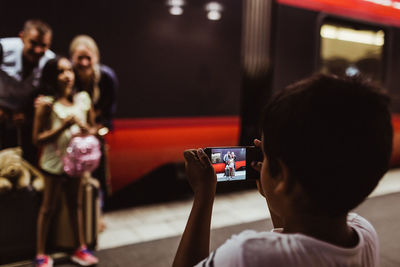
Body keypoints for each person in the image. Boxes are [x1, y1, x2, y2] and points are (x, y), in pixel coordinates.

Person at [173, 74, 393, 267]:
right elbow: (295, 236)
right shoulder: (364, 235)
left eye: (266, 155)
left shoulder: (248, 255)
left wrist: (204, 193)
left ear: (283, 176)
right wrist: (275, 189)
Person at [33, 56, 99, 267]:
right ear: (53, 76)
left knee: (75, 205)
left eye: (69, 70)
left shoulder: (83, 99)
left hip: (77, 163)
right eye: (61, 71)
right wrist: (62, 127)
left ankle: (79, 248)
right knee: (47, 208)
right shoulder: (46, 104)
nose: (67, 75)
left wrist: (84, 129)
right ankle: (41, 253)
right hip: (53, 163)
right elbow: (37, 139)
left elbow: (93, 129)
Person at [69, 34, 118, 205]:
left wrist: (96, 130)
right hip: (72, 135)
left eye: (88, 58)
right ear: (72, 58)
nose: (84, 63)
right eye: (79, 58)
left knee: (99, 175)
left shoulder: (106, 77)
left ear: (95, 58)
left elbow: (108, 112)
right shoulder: (68, 77)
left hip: (96, 133)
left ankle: (97, 215)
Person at [0, 19, 55, 164]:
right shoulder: (3, 48)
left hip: (25, 118)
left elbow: (50, 94)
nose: (38, 50)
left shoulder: (50, 61)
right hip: (1, 110)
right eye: (33, 43)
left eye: (43, 45)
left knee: (26, 161)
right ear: (22, 37)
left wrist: (29, 112)